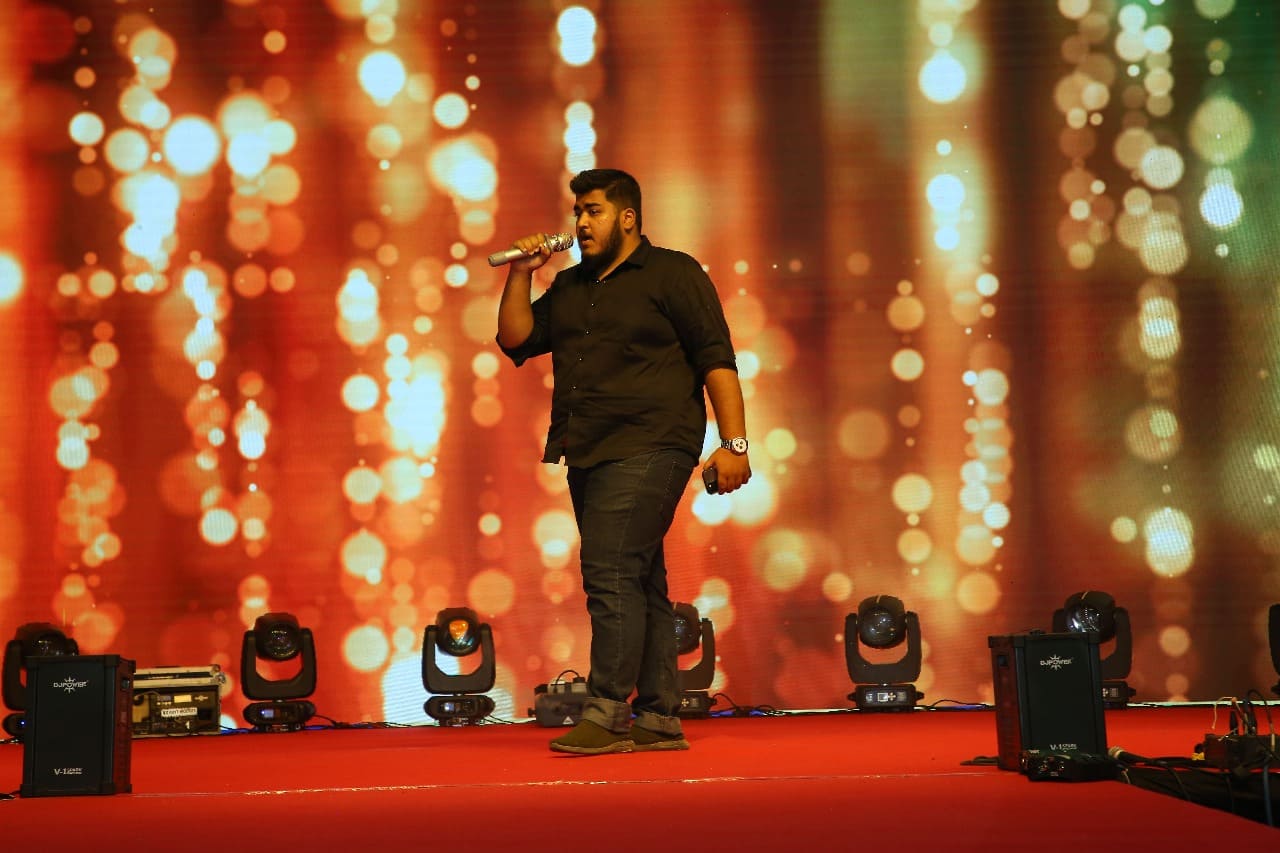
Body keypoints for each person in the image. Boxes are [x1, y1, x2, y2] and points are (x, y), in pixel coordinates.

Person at [496, 168, 751, 755]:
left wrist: (734, 444)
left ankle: (608, 711)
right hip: (588, 449)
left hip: (655, 443)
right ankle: (659, 716)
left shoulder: (673, 274)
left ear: (628, 218)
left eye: (594, 211)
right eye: (577, 213)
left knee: (609, 569)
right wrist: (521, 273)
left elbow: (716, 358)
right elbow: (515, 339)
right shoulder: (571, 286)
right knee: (638, 577)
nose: (581, 223)